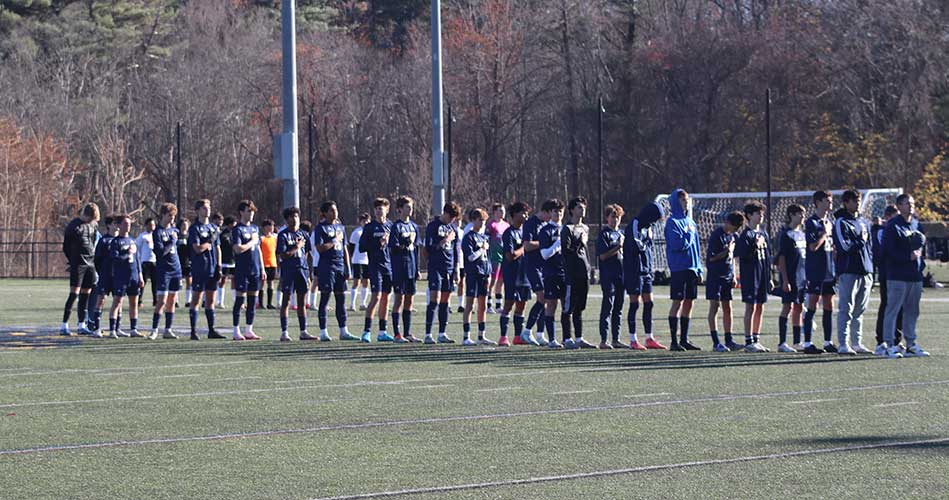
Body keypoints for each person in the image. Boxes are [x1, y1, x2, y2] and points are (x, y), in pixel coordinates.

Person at [881, 193, 929, 358]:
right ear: (899, 206)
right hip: (897, 275)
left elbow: (923, 246)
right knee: (892, 310)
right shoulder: (892, 225)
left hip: (914, 275)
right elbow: (888, 250)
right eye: (907, 203)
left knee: (913, 311)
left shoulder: (916, 223)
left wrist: (921, 264)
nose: (911, 206)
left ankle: (911, 344)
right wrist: (906, 257)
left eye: (912, 203)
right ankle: (888, 344)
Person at [832, 190, 874, 355]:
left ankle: (857, 342)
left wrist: (870, 266)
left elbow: (869, 248)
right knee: (846, 309)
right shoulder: (841, 222)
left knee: (860, 309)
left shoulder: (863, 221)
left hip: (865, 271)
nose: (858, 203)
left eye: (859, 200)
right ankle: (843, 343)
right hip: (849, 270)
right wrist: (859, 241)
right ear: (846, 202)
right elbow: (844, 246)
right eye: (854, 200)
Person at [664, 189, 703, 351]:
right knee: (677, 302)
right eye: (682, 200)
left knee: (689, 302)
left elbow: (697, 247)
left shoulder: (691, 222)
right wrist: (687, 234)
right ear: (675, 202)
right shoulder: (672, 222)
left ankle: (685, 339)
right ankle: (674, 341)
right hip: (679, 268)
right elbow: (677, 245)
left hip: (692, 269)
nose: (685, 203)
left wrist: (699, 268)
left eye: (686, 200)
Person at [775, 204, 816, 353]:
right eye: (800, 214)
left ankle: (797, 341)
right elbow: (782, 259)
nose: (803, 217)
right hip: (791, 277)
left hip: (802, 277)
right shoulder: (785, 234)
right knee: (788, 307)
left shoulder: (802, 234)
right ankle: (782, 343)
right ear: (792, 215)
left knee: (798, 308)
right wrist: (785, 280)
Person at [625, 202, 665, 350]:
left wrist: (650, 267)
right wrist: (645, 244)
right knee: (635, 304)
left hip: (646, 271)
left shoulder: (649, 227)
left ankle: (649, 337)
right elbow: (637, 246)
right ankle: (633, 339)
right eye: (655, 217)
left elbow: (649, 248)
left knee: (649, 303)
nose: (655, 222)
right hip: (634, 270)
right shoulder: (634, 225)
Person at [734, 201, 771, 352]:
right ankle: (749, 341)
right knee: (751, 306)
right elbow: (742, 255)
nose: (761, 216)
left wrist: (768, 277)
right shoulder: (745, 235)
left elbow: (768, 257)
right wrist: (755, 244)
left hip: (762, 275)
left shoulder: (763, 233)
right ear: (749, 215)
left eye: (762, 213)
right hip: (751, 275)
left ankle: (756, 339)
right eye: (757, 213)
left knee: (760, 306)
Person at [423, 202, 462, 344]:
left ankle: (442, 333)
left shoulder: (453, 229)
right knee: (435, 299)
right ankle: (428, 334)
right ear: (445, 213)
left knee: (446, 301)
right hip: (436, 267)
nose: (452, 220)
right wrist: (444, 240)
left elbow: (456, 250)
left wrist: (456, 269)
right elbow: (429, 247)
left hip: (449, 268)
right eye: (451, 217)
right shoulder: (432, 226)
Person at [314, 201, 353, 341]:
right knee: (325, 298)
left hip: (340, 267)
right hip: (327, 267)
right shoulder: (320, 228)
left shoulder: (340, 227)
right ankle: (323, 332)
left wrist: (348, 267)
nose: (335, 212)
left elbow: (344, 249)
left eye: (335, 210)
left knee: (341, 299)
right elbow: (320, 248)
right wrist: (334, 240)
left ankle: (344, 331)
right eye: (331, 210)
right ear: (324, 213)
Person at [804, 191, 837, 353]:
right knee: (812, 305)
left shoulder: (830, 222)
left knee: (829, 306)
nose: (830, 203)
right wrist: (824, 233)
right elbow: (813, 246)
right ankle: (807, 343)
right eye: (827, 201)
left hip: (829, 270)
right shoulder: (811, 222)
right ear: (818, 202)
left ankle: (827, 341)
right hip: (816, 270)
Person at [188, 199, 226, 340]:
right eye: (204, 208)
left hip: (212, 268)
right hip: (199, 268)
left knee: (211, 300)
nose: (207, 210)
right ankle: (193, 330)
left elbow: (217, 248)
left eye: (208, 207)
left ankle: (211, 330)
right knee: (197, 299)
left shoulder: (213, 228)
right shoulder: (194, 228)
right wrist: (208, 242)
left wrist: (219, 266)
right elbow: (197, 249)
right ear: (198, 211)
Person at [705, 211, 743, 352]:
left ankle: (729, 340)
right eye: (734, 227)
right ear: (728, 223)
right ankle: (716, 342)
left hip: (728, 276)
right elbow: (712, 258)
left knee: (728, 307)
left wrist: (734, 274)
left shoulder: (734, 236)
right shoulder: (716, 235)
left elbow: (733, 258)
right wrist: (727, 251)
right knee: (715, 307)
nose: (735, 230)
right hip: (715, 276)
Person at [561, 197, 595, 349]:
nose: (583, 210)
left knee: (580, 307)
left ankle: (579, 338)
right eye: (580, 207)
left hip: (584, 273)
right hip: (571, 274)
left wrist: (590, 268)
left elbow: (585, 252)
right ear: (572, 210)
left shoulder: (585, 228)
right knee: (568, 307)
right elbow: (566, 252)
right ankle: (567, 338)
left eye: (584, 207)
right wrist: (579, 242)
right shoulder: (567, 229)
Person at [277, 207, 316, 341]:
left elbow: (307, 254)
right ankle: (284, 332)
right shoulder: (283, 235)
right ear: (287, 219)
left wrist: (308, 272)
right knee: (286, 301)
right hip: (288, 271)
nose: (295, 219)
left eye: (297, 216)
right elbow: (283, 255)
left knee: (302, 302)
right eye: (292, 216)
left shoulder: (304, 234)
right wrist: (296, 247)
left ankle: (303, 331)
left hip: (302, 271)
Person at [61, 202, 99, 336]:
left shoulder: (92, 226)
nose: (92, 221)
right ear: (86, 215)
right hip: (78, 265)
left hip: (90, 264)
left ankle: (81, 325)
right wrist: (73, 261)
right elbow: (65, 247)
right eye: (91, 218)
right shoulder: (73, 226)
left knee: (85, 295)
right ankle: (64, 325)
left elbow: (93, 242)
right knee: (74, 294)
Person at [360, 198, 394, 343]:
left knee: (386, 299)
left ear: (387, 210)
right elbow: (362, 247)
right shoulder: (369, 227)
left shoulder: (391, 226)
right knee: (376, 297)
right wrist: (377, 243)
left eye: (382, 208)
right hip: (375, 267)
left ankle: (382, 331)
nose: (379, 210)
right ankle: (366, 331)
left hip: (389, 267)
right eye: (377, 208)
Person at [230, 200, 265, 341]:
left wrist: (262, 268)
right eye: (248, 211)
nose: (251, 214)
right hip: (242, 270)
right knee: (240, 300)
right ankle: (236, 330)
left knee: (252, 301)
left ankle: (249, 330)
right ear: (241, 212)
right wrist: (251, 242)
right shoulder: (237, 230)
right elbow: (238, 249)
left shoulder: (255, 229)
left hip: (255, 269)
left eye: (253, 211)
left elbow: (258, 250)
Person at [147, 203, 183, 340]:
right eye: (170, 216)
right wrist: (172, 241)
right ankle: (154, 329)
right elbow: (160, 252)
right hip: (164, 271)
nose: (172, 219)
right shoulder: (157, 232)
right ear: (163, 215)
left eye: (174, 216)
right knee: (161, 301)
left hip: (176, 270)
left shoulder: (175, 230)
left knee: (172, 300)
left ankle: (168, 329)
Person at [389, 196, 422, 343]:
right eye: (407, 207)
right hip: (400, 267)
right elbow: (393, 248)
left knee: (410, 300)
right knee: (399, 299)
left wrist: (417, 269)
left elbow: (416, 249)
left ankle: (408, 332)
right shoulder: (396, 227)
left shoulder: (414, 226)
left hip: (412, 266)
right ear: (400, 209)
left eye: (411, 207)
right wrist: (403, 243)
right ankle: (397, 334)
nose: (410, 209)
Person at [461, 208, 496, 345]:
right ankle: (466, 336)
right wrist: (481, 249)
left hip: (484, 274)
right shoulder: (469, 237)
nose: (482, 223)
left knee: (483, 305)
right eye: (480, 220)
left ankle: (481, 336)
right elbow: (470, 257)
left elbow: (487, 258)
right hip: (473, 274)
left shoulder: (485, 236)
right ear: (473, 220)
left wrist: (489, 271)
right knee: (470, 305)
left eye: (484, 220)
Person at [499, 202, 532, 347]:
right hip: (512, 274)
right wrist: (523, 249)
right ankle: (503, 337)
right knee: (509, 304)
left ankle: (518, 336)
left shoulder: (526, 232)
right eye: (523, 212)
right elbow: (509, 256)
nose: (526, 215)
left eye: (527, 212)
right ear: (514, 215)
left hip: (525, 274)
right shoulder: (509, 233)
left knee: (522, 305)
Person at [107, 215, 144, 338]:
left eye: (129, 223)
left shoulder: (132, 241)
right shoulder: (115, 241)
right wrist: (127, 254)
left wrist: (140, 275)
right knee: (117, 302)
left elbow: (137, 259)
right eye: (125, 223)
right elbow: (114, 258)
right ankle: (113, 329)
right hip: (121, 276)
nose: (128, 225)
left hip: (133, 276)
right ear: (119, 225)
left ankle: (133, 329)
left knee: (134, 302)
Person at [519, 202, 550, 345]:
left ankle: (540, 334)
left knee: (546, 299)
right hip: (533, 266)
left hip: (545, 266)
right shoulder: (531, 223)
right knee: (542, 297)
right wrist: (544, 243)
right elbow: (527, 245)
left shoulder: (546, 224)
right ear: (545, 211)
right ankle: (526, 331)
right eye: (552, 213)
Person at [873, 206, 903, 354]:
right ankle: (881, 341)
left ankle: (897, 339)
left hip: (900, 274)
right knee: (886, 305)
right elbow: (881, 254)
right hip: (887, 274)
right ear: (887, 216)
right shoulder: (881, 231)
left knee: (900, 307)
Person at [596, 204, 626, 349]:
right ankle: (603, 340)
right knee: (608, 306)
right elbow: (602, 256)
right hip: (608, 275)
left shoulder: (621, 234)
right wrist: (618, 247)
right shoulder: (604, 234)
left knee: (619, 308)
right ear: (607, 218)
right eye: (613, 216)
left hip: (621, 275)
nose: (615, 220)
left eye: (618, 217)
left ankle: (616, 339)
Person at [538, 198, 567, 348]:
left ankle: (567, 338)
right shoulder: (545, 231)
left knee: (566, 306)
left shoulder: (566, 229)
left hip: (566, 273)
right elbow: (544, 254)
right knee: (551, 306)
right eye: (555, 211)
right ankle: (552, 340)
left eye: (560, 211)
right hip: (551, 273)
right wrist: (557, 244)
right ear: (550, 213)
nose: (558, 214)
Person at [87, 215, 116, 336]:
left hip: (117, 276)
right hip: (104, 275)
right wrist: (101, 272)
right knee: (100, 300)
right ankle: (95, 326)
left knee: (117, 300)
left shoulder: (122, 239)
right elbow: (97, 259)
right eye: (115, 223)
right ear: (109, 225)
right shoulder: (104, 240)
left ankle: (115, 328)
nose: (117, 226)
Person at [486, 203, 509, 313]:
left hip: (504, 257)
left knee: (501, 281)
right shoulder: (491, 225)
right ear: (495, 212)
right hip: (494, 257)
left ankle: (499, 305)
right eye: (500, 210)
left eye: (503, 210)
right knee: (492, 282)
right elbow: (486, 240)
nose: (503, 212)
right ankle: (488, 304)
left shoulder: (506, 225)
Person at [348, 213, 371, 311]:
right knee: (356, 282)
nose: (365, 223)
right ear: (360, 222)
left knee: (366, 282)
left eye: (367, 221)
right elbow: (351, 247)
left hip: (367, 261)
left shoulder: (370, 232)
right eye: (363, 221)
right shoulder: (356, 233)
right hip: (357, 260)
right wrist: (352, 258)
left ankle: (363, 304)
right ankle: (352, 304)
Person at [136, 217, 157, 308]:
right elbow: (137, 248)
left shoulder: (156, 235)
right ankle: (139, 300)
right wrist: (140, 258)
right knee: (142, 283)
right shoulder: (142, 236)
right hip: (145, 262)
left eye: (153, 225)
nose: (152, 227)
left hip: (154, 261)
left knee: (155, 283)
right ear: (146, 226)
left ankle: (155, 301)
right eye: (150, 225)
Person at [216, 215, 236, 308]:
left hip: (234, 261)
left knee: (234, 280)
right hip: (225, 261)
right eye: (233, 224)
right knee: (223, 280)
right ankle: (220, 302)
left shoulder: (235, 233)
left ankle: (236, 301)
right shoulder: (222, 234)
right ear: (229, 224)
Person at [259, 219, 278, 309]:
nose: (272, 228)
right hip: (263, 264)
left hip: (272, 263)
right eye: (270, 226)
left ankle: (269, 303)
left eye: (273, 226)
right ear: (264, 227)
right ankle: (260, 303)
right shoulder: (261, 238)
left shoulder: (275, 238)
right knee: (261, 283)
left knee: (271, 283)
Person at [177, 218, 192, 307]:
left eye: (186, 224)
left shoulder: (190, 236)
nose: (185, 226)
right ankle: (175, 301)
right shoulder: (177, 235)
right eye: (183, 224)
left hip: (188, 262)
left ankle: (188, 301)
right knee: (177, 282)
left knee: (189, 282)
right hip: (178, 262)